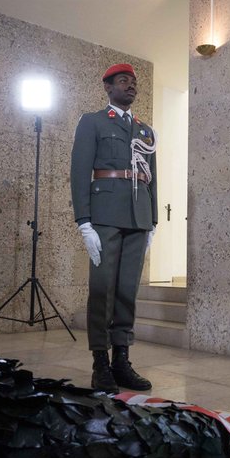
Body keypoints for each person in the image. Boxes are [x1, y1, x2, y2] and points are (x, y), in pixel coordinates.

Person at [70, 63, 157, 394]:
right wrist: (84, 223)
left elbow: (152, 175)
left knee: (126, 292)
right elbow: (80, 171)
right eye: (124, 81)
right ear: (108, 87)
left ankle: (121, 360)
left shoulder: (145, 130)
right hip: (105, 216)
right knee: (102, 290)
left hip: (138, 217)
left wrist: (153, 223)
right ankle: (100, 364)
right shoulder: (92, 122)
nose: (131, 86)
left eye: (134, 83)